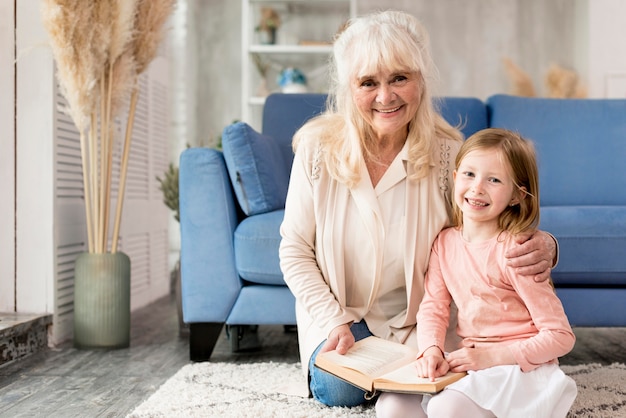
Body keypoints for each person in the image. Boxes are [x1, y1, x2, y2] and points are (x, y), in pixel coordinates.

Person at [279, 10, 557, 408]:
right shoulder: (316, 150)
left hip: (420, 323)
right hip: (340, 319)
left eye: (399, 78)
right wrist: (333, 320)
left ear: (420, 82)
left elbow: (485, 223)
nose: (385, 96)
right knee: (340, 388)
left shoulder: (447, 152)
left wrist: (544, 242)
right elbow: (294, 250)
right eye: (368, 82)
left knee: (441, 374)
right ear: (348, 89)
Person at [376, 128, 577, 417]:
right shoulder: (444, 243)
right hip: (467, 358)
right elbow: (433, 307)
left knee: (447, 408)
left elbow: (560, 336)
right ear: (455, 177)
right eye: (469, 174)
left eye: (494, 180)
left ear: (516, 195)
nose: (477, 188)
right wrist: (430, 350)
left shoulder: (517, 251)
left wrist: (490, 357)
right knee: (390, 406)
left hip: (516, 366)